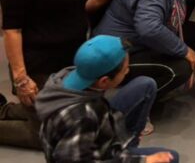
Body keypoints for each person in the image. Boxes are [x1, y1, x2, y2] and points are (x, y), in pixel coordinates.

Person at [2, 0, 122, 149]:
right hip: (39, 65)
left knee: (76, 120)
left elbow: (80, 5)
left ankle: (11, 110)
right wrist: (21, 77)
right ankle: (21, 107)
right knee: (47, 137)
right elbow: (12, 28)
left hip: (70, 62)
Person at [35, 35, 179, 163]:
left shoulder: (69, 75)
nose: (128, 71)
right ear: (104, 81)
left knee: (145, 85)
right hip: (96, 154)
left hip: (98, 133)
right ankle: (126, 150)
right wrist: (143, 160)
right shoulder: (81, 118)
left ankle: (126, 143)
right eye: (125, 69)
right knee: (171, 158)